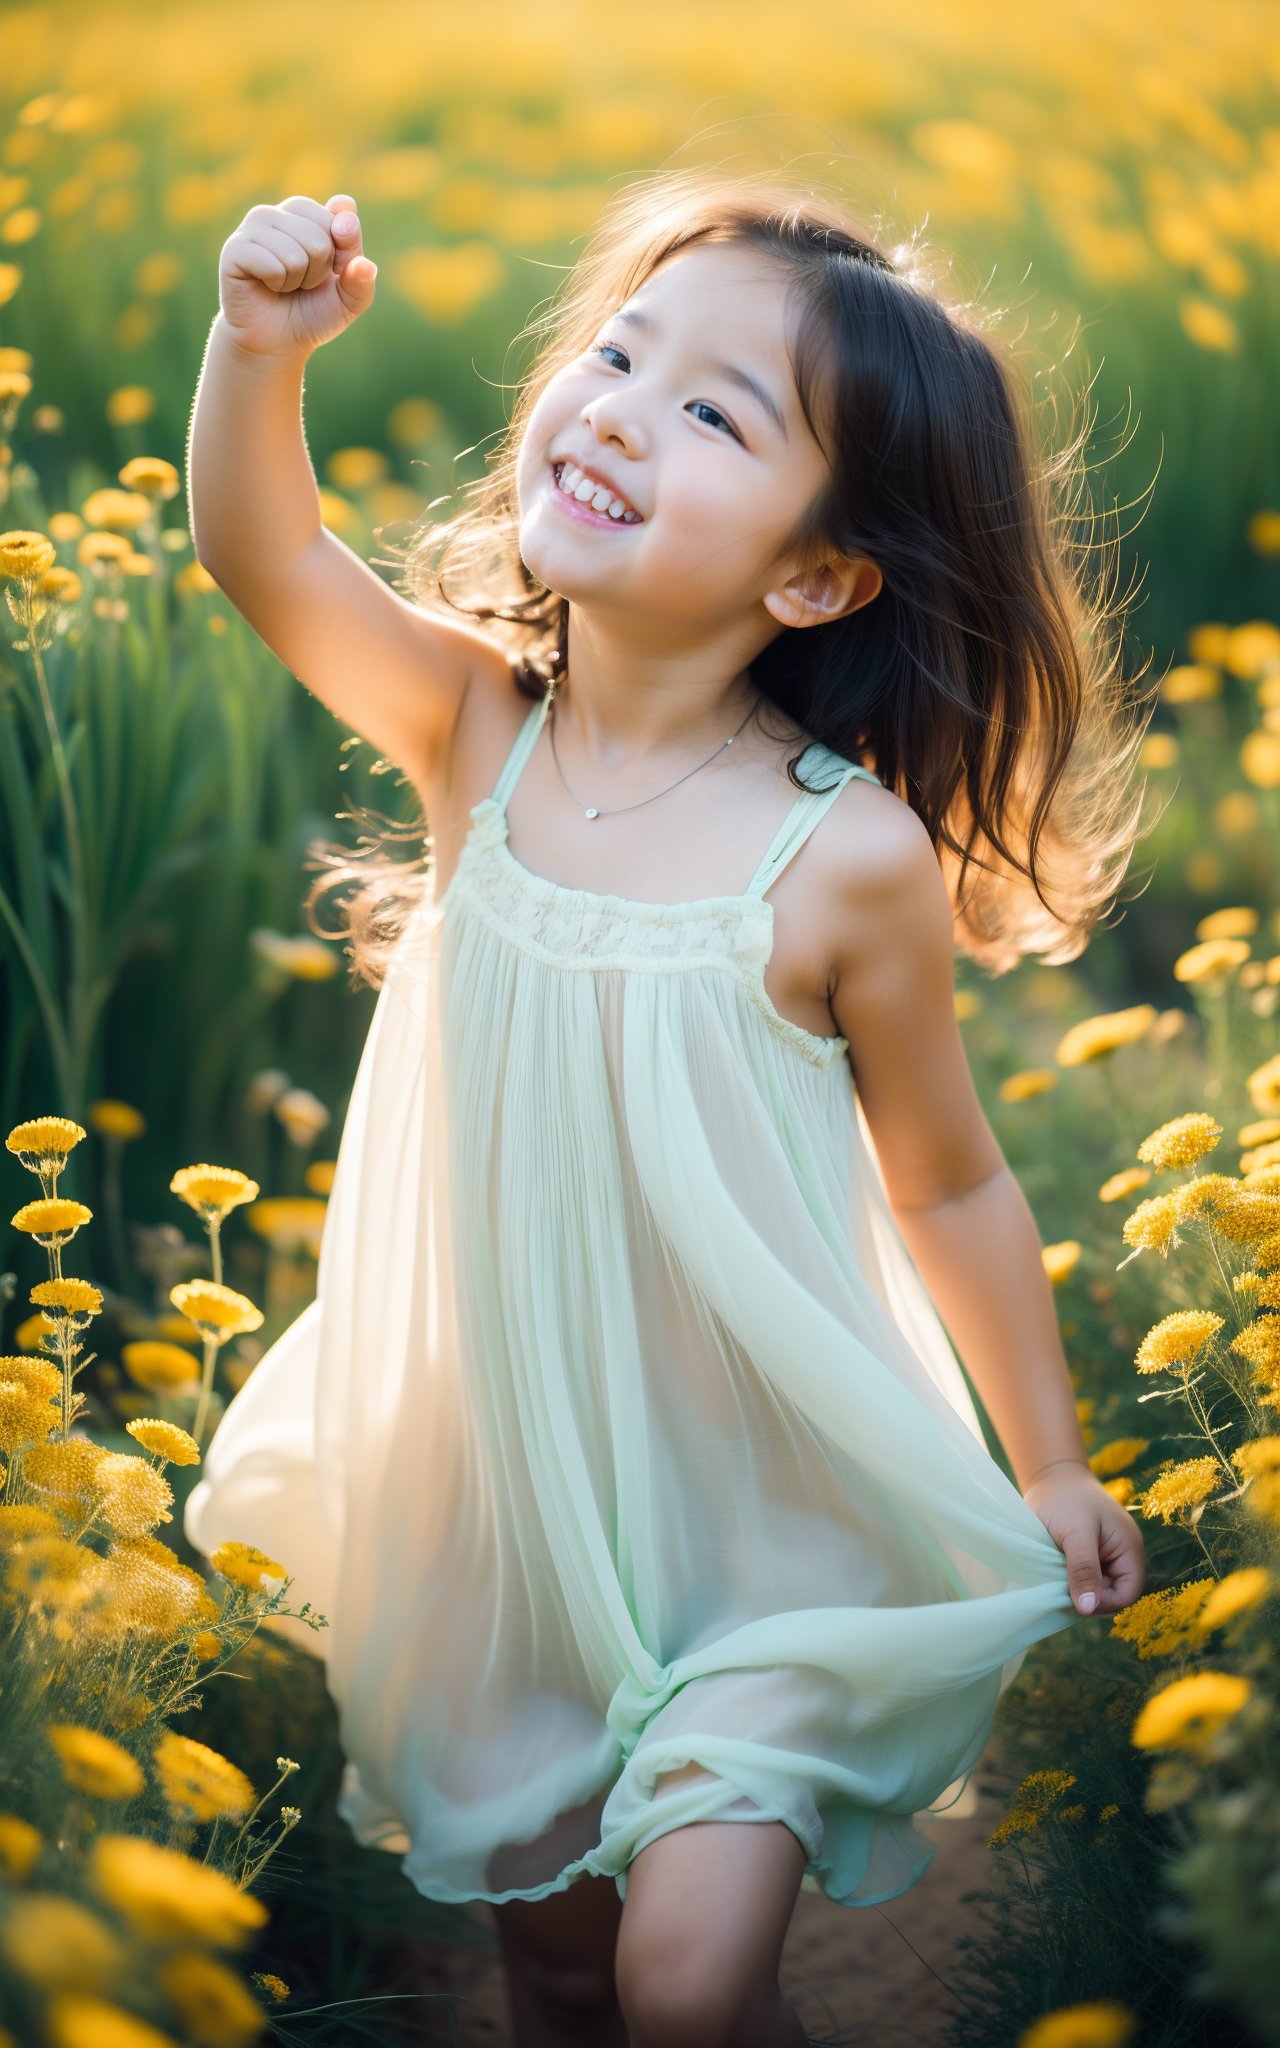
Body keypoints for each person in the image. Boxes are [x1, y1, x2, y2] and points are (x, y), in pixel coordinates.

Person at [184, 167, 1149, 2048]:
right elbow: (265, 556)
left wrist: (1045, 1459)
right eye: (619, 351)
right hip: (506, 1502)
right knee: (555, 1964)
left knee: (689, 1982)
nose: (621, 402)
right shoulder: (482, 732)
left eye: (715, 409)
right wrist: (255, 349)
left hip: (763, 1524)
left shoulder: (842, 858)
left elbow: (946, 1184)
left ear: (814, 573)